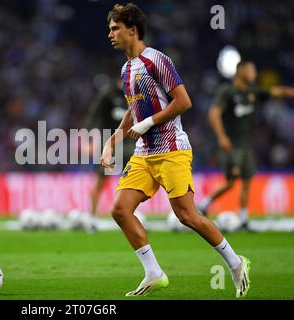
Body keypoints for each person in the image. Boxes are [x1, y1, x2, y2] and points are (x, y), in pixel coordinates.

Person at [101, 3, 250, 298]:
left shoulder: (156, 60)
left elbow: (183, 101)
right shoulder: (127, 69)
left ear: (132, 30)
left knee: (187, 215)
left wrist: (148, 123)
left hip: (172, 149)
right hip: (144, 153)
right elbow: (133, 110)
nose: (110, 34)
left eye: (115, 28)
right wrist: (113, 140)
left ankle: (235, 263)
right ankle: (154, 273)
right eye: (109, 29)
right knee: (120, 210)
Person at [198, 61, 294, 229]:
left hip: (247, 145)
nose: (255, 74)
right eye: (252, 70)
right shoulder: (227, 92)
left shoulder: (252, 91)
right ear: (241, 72)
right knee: (231, 180)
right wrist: (221, 137)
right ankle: (204, 205)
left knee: (247, 180)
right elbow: (214, 114)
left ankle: (243, 217)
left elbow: (277, 91)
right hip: (231, 145)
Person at [85, 78, 135, 232]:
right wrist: (90, 140)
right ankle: (92, 217)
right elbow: (93, 117)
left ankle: (129, 214)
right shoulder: (107, 94)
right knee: (101, 179)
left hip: (129, 143)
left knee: (134, 178)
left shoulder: (134, 95)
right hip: (110, 143)